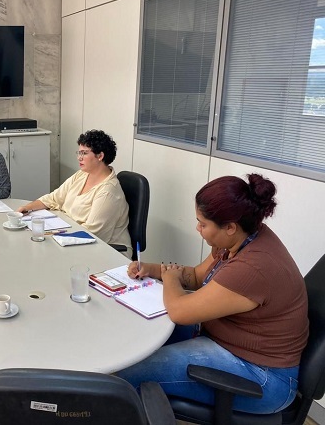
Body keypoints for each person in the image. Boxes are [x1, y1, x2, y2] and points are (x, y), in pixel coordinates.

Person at [117, 174, 308, 414]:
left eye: (202, 223)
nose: (197, 228)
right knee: (136, 337)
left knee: (126, 378)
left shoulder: (253, 267)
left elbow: (180, 311)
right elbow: (197, 277)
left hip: (261, 377)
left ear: (229, 227)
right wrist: (154, 269)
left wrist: (169, 278)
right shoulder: (240, 237)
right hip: (224, 341)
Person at [17, 130, 132, 255]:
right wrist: (27, 207)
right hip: (70, 238)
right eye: (79, 153)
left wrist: (52, 234)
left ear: (100, 156)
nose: (79, 157)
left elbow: (91, 234)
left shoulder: (108, 192)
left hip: (103, 252)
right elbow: (54, 198)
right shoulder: (82, 175)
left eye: (84, 153)